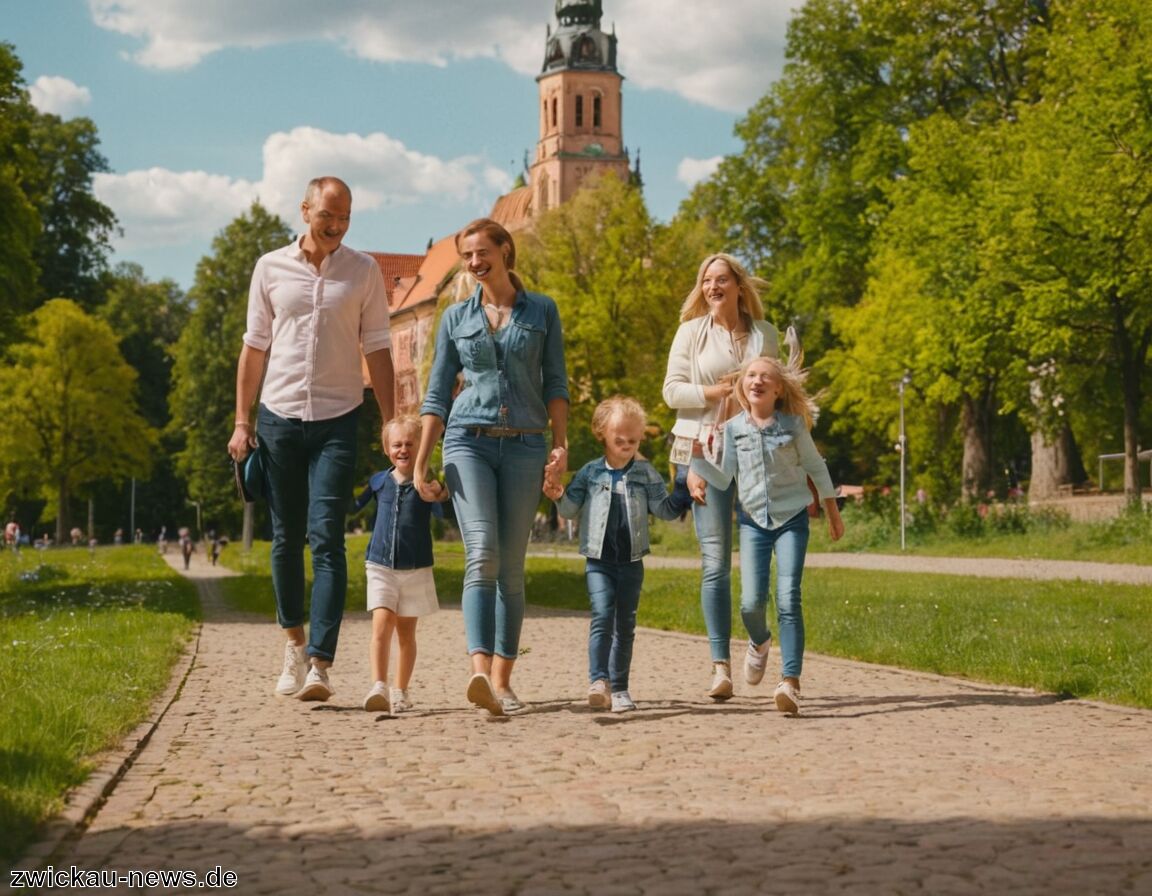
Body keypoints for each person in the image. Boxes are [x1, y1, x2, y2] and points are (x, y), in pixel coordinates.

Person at [227, 175, 395, 703]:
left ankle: (320, 663)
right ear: (305, 210)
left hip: (338, 418)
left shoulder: (364, 271)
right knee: (285, 536)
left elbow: (380, 350)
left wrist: (392, 423)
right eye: (328, 216)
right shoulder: (269, 267)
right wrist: (242, 421)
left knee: (327, 537)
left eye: (346, 218)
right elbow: (254, 347)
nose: (337, 227)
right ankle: (292, 644)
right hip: (278, 416)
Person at [414, 217, 568, 717]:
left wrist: (560, 448)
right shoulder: (456, 318)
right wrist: (421, 462)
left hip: (525, 444)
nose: (475, 262)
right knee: (482, 551)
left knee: (512, 567)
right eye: (467, 256)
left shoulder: (542, 310)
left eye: (482, 252)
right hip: (468, 441)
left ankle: (503, 682)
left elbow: (556, 385)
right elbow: (437, 394)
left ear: (505, 251)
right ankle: (478, 673)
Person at [662, 253, 788, 701]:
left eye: (721, 280)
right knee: (714, 561)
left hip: (756, 455)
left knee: (757, 559)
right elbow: (671, 390)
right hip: (703, 452)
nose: (713, 287)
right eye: (706, 281)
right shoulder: (691, 333)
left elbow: (779, 390)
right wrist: (720, 390)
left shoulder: (765, 335)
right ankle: (720, 666)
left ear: (738, 285)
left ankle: (759, 636)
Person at [688, 356, 844, 716]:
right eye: (751, 376)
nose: (756, 381)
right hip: (753, 522)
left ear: (778, 390)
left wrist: (832, 512)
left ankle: (790, 681)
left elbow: (816, 468)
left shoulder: (792, 426)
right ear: (743, 386)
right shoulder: (733, 429)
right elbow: (724, 477)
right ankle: (759, 641)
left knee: (788, 597)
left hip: (792, 519)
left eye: (765, 378)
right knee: (750, 604)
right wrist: (696, 465)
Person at [543, 396, 691, 713]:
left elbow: (664, 510)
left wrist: (683, 487)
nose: (626, 445)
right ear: (602, 434)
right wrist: (558, 494)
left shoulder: (646, 473)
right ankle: (598, 681)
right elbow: (570, 509)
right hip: (598, 561)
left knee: (625, 625)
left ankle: (620, 687)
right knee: (601, 616)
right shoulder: (589, 473)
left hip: (632, 561)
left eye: (633, 440)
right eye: (619, 439)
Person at [354, 414, 447, 714]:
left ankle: (400, 690)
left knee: (406, 634)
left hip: (416, 567)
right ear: (387, 449)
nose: (403, 449)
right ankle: (378, 685)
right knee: (381, 626)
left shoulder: (427, 484)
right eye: (397, 445)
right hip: (380, 565)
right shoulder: (379, 481)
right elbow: (354, 505)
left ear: (420, 447)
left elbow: (444, 515)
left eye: (409, 443)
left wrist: (439, 496)